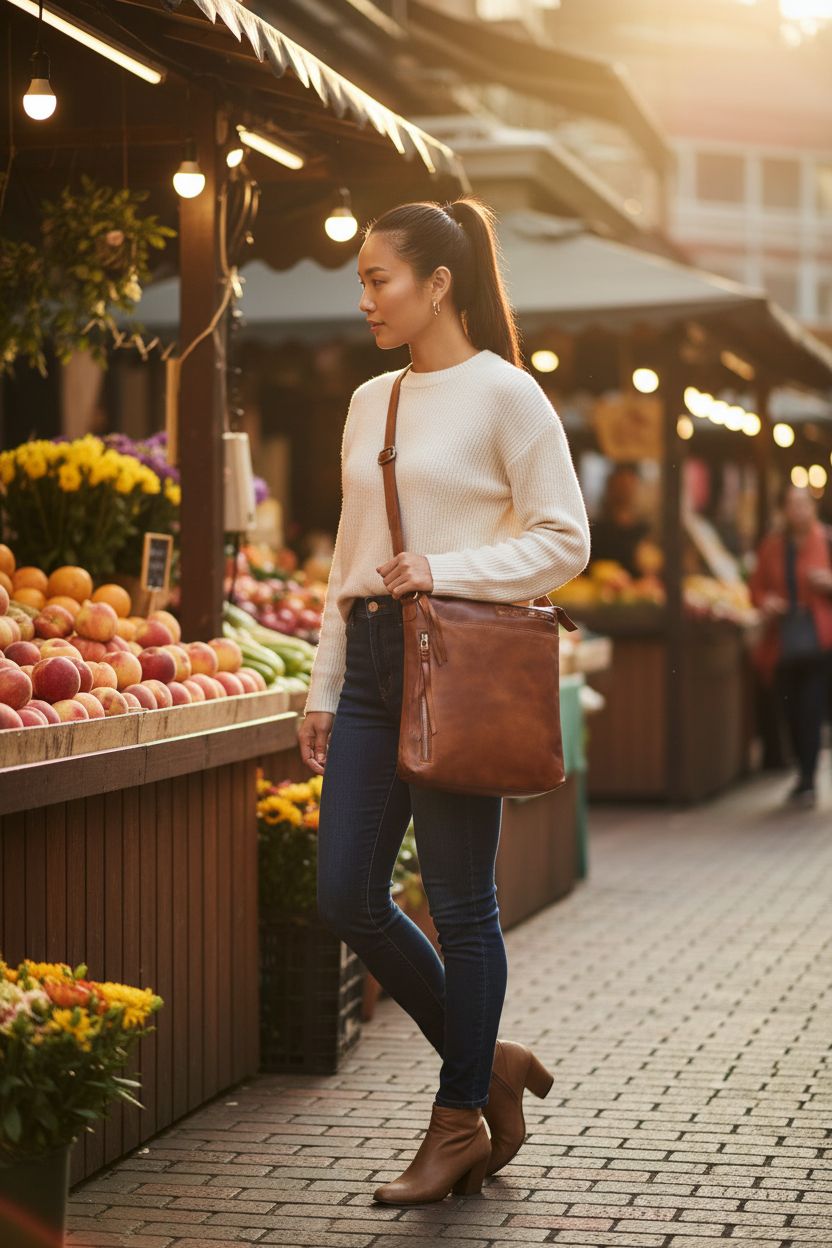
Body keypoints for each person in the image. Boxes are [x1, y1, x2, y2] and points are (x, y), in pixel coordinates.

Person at [298, 197, 590, 1205]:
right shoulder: (369, 400)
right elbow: (347, 558)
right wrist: (324, 685)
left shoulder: (508, 396)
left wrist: (445, 568)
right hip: (374, 665)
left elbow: (564, 539)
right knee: (345, 894)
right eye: (362, 281)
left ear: (437, 284)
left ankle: (458, 1115)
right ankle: (490, 1060)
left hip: (456, 665)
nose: (366, 297)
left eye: (380, 278)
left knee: (464, 909)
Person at [750, 485, 832, 807]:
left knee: (810, 709)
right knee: (790, 710)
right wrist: (766, 601)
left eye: (803, 504)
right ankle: (801, 770)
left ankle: (809, 778)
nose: (798, 510)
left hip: (818, 640)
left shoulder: (826, 540)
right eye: (791, 504)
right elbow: (755, 588)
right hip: (782, 639)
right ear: (784, 510)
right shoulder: (772, 547)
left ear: (812, 507)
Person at [590, 463, 651, 578]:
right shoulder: (597, 530)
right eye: (620, 486)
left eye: (629, 485)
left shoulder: (644, 530)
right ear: (610, 488)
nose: (625, 491)